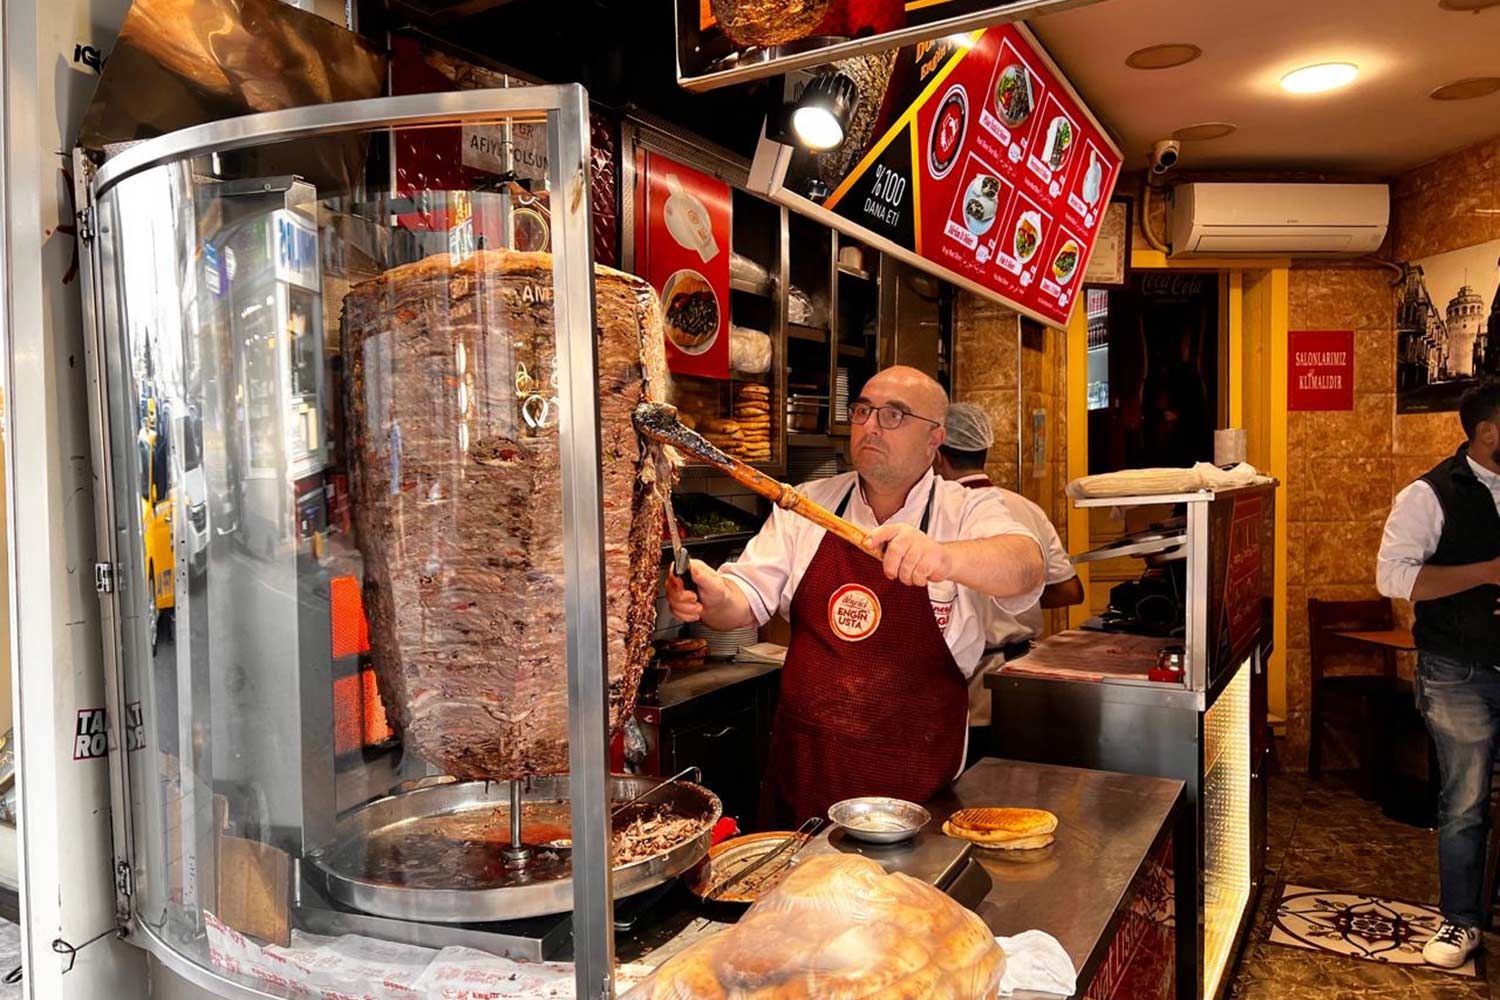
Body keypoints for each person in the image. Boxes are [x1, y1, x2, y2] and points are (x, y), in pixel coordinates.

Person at [666, 366, 1045, 826]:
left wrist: (944, 558)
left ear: (935, 437)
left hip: (914, 780)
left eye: (894, 415)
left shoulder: (966, 510)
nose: (870, 424)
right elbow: (742, 600)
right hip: (806, 771)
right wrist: (712, 594)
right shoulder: (805, 504)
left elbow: (1026, 566)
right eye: (863, 410)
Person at [1376, 382, 1500, 969]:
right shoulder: (1428, 494)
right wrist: (1486, 572)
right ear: (1488, 432)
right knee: (1466, 800)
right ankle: (1460, 921)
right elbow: (1394, 579)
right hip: (1457, 669)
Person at [933, 403, 1085, 765]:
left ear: (938, 456)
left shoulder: (936, 515)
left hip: (966, 689)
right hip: (1021, 679)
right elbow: (1070, 590)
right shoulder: (1026, 509)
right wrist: (1014, 596)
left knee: (966, 801)